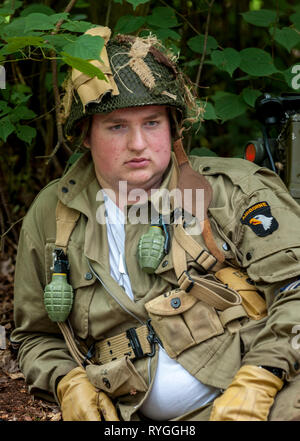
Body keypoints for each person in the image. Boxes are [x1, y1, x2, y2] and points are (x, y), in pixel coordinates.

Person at [11, 26, 300, 422]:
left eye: (151, 123)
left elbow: (296, 290)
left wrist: (260, 378)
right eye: (117, 126)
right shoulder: (53, 214)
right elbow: (35, 335)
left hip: (263, 393)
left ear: (173, 127)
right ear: (85, 135)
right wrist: (65, 381)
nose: (138, 144)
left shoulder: (233, 191)